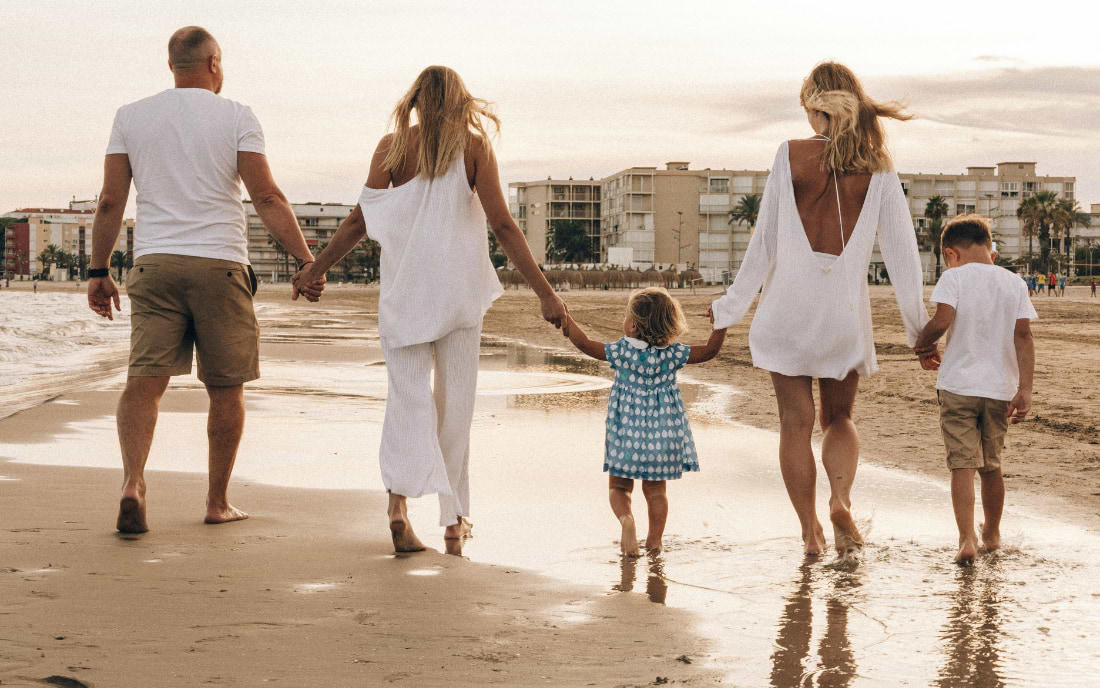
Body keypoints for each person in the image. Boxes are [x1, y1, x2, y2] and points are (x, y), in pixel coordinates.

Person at [294, 66, 568, 554]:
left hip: (404, 294)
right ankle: (453, 521)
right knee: (455, 406)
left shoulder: (392, 148)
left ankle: (398, 506)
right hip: (458, 295)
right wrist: (545, 293)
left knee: (407, 399)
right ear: (462, 101)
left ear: (416, 101)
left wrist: (317, 268)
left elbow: (359, 221)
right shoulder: (473, 146)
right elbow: (503, 225)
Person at [87, 27, 323, 534]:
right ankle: (216, 502)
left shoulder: (131, 116)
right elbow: (268, 198)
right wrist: (306, 261)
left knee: (144, 383)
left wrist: (98, 270)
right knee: (225, 387)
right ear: (214, 63)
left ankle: (133, 482)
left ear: (172, 65)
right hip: (220, 266)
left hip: (155, 264)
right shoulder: (236, 115)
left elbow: (110, 201)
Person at [709, 62, 928, 558]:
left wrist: (729, 308)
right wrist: (920, 330)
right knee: (839, 418)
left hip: (786, 308)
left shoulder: (789, 155)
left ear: (814, 108)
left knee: (794, 423)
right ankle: (841, 498)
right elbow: (901, 253)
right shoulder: (879, 165)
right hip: (843, 314)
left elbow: (762, 244)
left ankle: (810, 534)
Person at [559, 288, 727, 556]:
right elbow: (709, 351)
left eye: (626, 316)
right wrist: (721, 323)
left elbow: (585, 344)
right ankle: (655, 541)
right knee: (656, 491)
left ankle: (627, 521)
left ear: (634, 325)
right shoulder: (673, 354)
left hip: (626, 430)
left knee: (619, 486)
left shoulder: (622, 351)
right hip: (664, 432)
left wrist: (566, 319)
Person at [912, 215, 1036, 565]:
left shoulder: (953, 277)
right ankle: (993, 535)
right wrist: (1025, 389)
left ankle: (967, 539)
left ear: (952, 253)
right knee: (991, 464)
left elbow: (941, 320)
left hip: (958, 386)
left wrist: (923, 346)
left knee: (962, 465)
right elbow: (1024, 336)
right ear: (990, 248)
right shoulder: (1014, 283)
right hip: (999, 388)